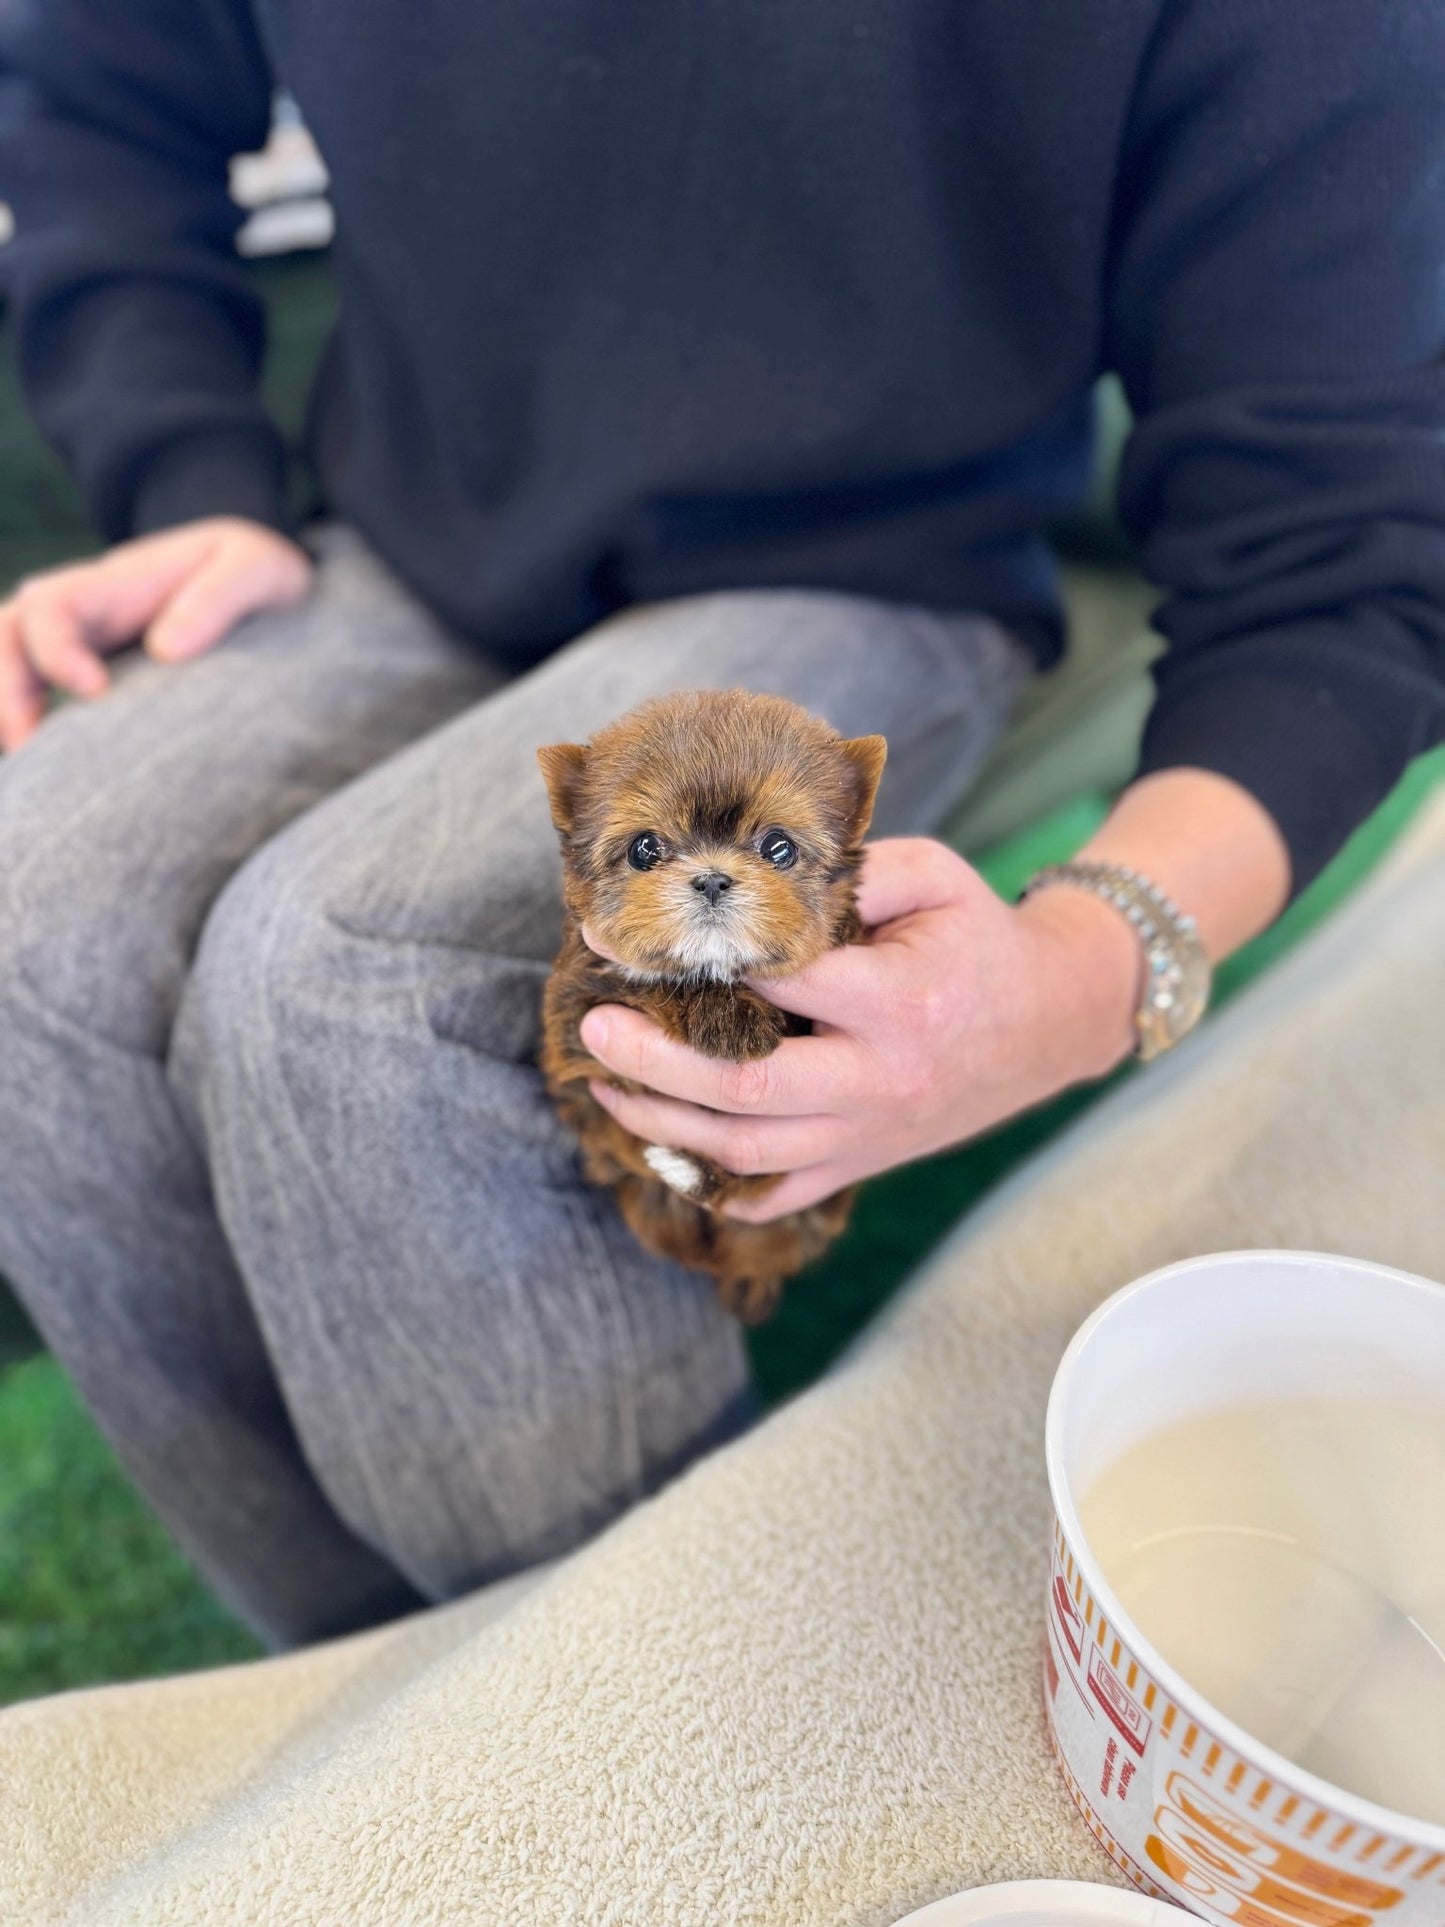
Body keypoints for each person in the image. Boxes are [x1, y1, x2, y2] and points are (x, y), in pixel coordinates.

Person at [0, 2, 1440, 1650]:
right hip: (406, 518)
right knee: (28, 910)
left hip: (877, 559)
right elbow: (104, 63)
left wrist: (1074, 979)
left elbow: (1338, 575)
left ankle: (665, 1729)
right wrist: (190, 474)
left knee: (355, 989)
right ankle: (366, 1708)